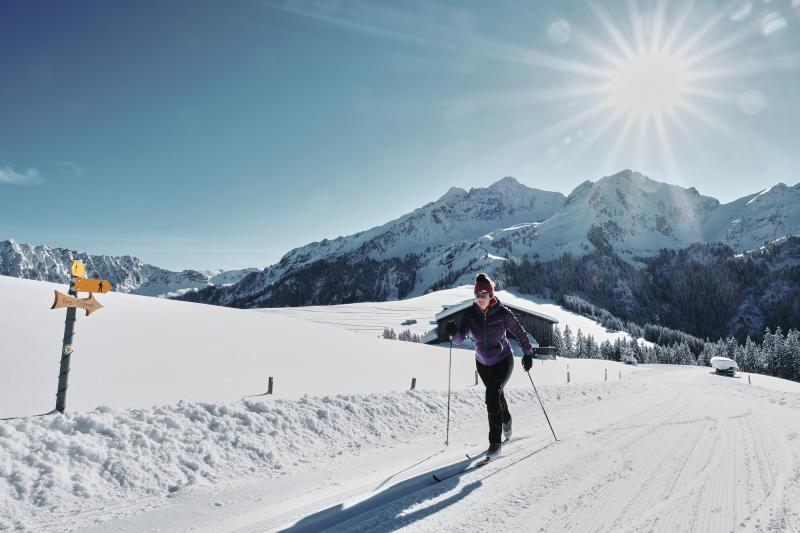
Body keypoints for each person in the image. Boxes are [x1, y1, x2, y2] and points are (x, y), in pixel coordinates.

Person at [446, 273, 535, 457]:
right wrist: (454, 333)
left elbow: (519, 332)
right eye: (477, 296)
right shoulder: (470, 314)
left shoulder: (502, 313)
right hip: (483, 363)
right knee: (496, 395)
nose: (480, 300)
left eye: (484, 296)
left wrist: (528, 354)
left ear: (491, 295)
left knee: (492, 394)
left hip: (503, 360)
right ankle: (507, 419)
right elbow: (460, 338)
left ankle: (495, 444)